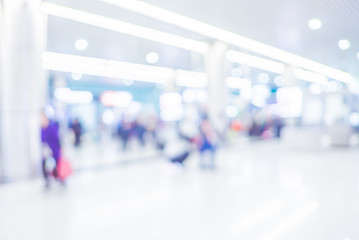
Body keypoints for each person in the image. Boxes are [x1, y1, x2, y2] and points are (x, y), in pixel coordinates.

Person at [40, 111, 62, 188]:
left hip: (54, 149)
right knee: (44, 165)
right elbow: (42, 140)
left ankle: (59, 177)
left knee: (56, 164)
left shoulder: (52, 127)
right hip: (46, 151)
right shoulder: (42, 129)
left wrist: (59, 148)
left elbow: (57, 138)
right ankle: (47, 180)